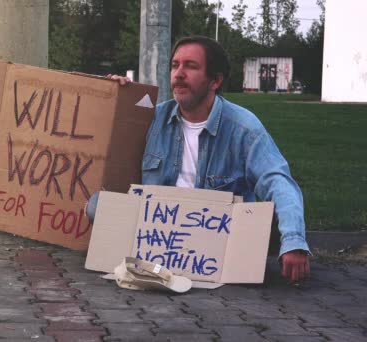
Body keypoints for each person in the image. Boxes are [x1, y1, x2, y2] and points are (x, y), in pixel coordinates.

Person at [91, 36, 310, 284]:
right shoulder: (153, 117)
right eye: (175, 65)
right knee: (96, 205)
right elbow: (105, 142)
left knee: (265, 224)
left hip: (214, 236)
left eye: (191, 66)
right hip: (158, 231)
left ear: (215, 81)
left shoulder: (243, 127)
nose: (179, 74)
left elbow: (277, 181)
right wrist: (112, 96)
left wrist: (293, 242)